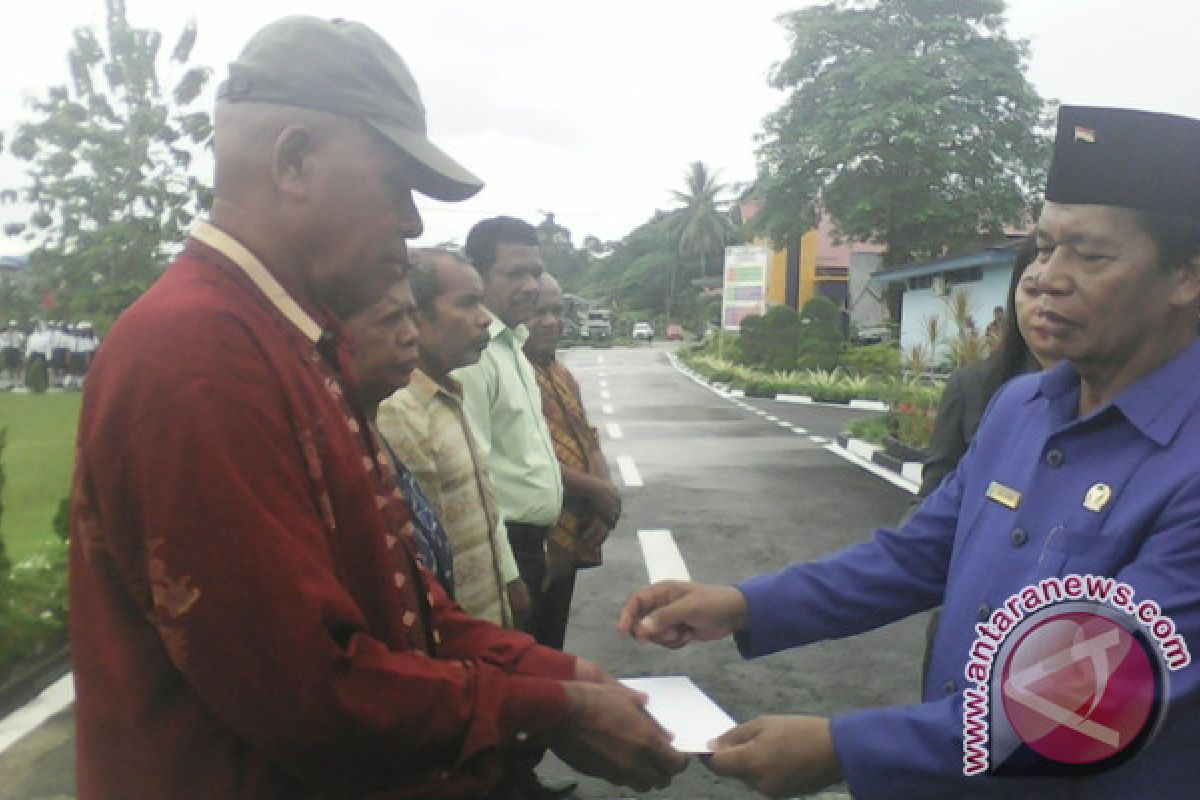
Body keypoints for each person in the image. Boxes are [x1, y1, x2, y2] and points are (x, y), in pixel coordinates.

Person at [69, 16, 684, 800]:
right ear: (293, 161)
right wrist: (550, 710)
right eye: (396, 185)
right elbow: (303, 688)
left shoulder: (286, 340)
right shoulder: (198, 354)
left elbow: (393, 597)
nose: (413, 224)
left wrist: (557, 672)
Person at [619, 105, 1200, 798]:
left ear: (1186, 278)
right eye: (1044, 247)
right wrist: (744, 604)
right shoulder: (1023, 407)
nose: (1047, 277)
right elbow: (921, 553)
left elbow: (1089, 698)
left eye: (1092, 254)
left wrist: (843, 749)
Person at [378, 248, 521, 628]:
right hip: (457, 644)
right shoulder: (402, 411)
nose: (485, 319)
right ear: (417, 316)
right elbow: (422, 557)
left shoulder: (450, 394)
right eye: (469, 304)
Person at [455, 217, 563, 638]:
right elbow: (473, 472)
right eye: (514, 274)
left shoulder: (514, 345)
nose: (531, 287)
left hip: (534, 546)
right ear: (479, 276)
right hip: (506, 551)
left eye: (535, 272)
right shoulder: (475, 353)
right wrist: (508, 573)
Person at [918, 236, 1059, 498]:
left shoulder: (1113, 398)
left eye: (1059, 293)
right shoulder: (973, 387)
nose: (1045, 307)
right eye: (1033, 291)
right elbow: (932, 503)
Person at [523, 273, 621, 651]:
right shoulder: (508, 372)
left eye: (556, 311)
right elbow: (522, 457)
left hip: (571, 539)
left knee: (551, 641)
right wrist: (596, 490)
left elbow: (588, 440)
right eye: (538, 311)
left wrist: (603, 498)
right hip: (533, 542)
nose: (550, 321)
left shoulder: (561, 373)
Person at [342, 274, 455, 596]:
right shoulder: (335, 453)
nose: (412, 335)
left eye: (412, 317)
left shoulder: (372, 431)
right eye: (391, 319)